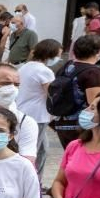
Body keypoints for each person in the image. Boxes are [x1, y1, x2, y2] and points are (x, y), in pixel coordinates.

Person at [50, 34, 100, 150]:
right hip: (82, 127)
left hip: (63, 123)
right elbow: (95, 104)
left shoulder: (68, 66)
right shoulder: (93, 73)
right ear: (97, 51)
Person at [17, 39, 60, 177]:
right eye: (58, 54)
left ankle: (36, 181)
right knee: (32, 151)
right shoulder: (45, 71)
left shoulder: (25, 66)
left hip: (24, 111)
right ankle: (29, 181)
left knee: (43, 149)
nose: (58, 58)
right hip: (37, 115)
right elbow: (52, 95)